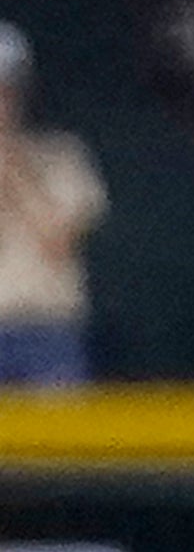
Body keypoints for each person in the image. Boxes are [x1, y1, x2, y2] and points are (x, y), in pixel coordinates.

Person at [0, 27, 106, 388]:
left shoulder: (62, 155)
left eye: (6, 89)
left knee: (60, 442)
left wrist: (12, 167)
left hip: (46, 331)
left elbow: (58, 242)